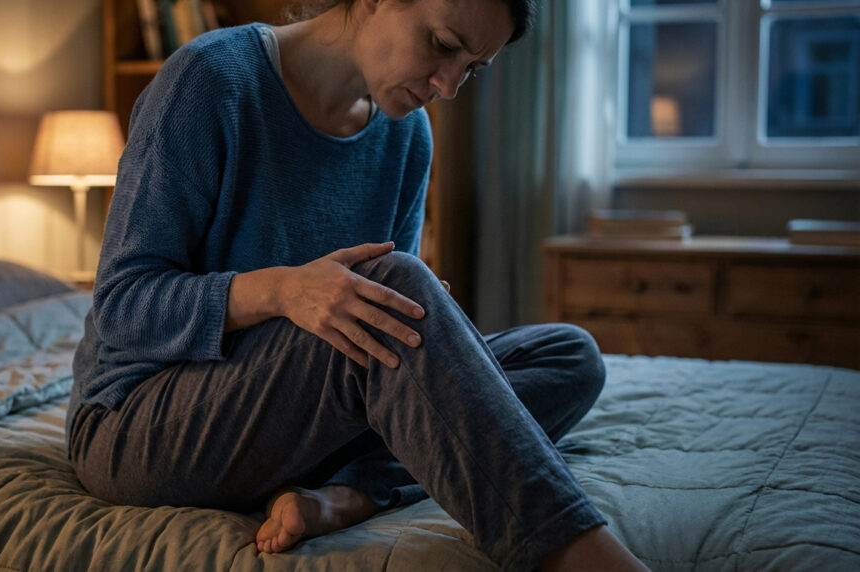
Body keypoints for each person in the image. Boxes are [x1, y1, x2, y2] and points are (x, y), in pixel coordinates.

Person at [67, 0, 649, 569]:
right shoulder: (211, 81)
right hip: (138, 419)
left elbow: (383, 341)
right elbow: (122, 305)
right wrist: (284, 291)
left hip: (299, 416)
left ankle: (348, 493)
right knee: (396, 288)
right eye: (442, 45)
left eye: (471, 68)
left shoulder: (408, 135)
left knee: (568, 356)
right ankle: (578, 553)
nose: (448, 86)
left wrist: (425, 317)